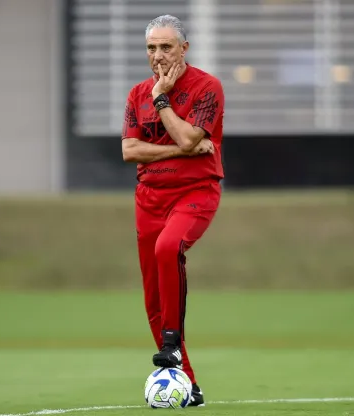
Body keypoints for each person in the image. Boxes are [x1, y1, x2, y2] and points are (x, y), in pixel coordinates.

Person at [121, 14, 225, 407]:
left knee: (169, 249)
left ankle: (170, 343)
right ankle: (189, 386)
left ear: (184, 48)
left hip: (195, 191)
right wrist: (180, 148)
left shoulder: (206, 88)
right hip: (149, 197)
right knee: (153, 299)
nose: (158, 55)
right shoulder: (135, 94)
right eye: (151, 48)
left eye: (166, 47)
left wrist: (162, 100)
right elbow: (130, 151)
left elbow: (188, 135)